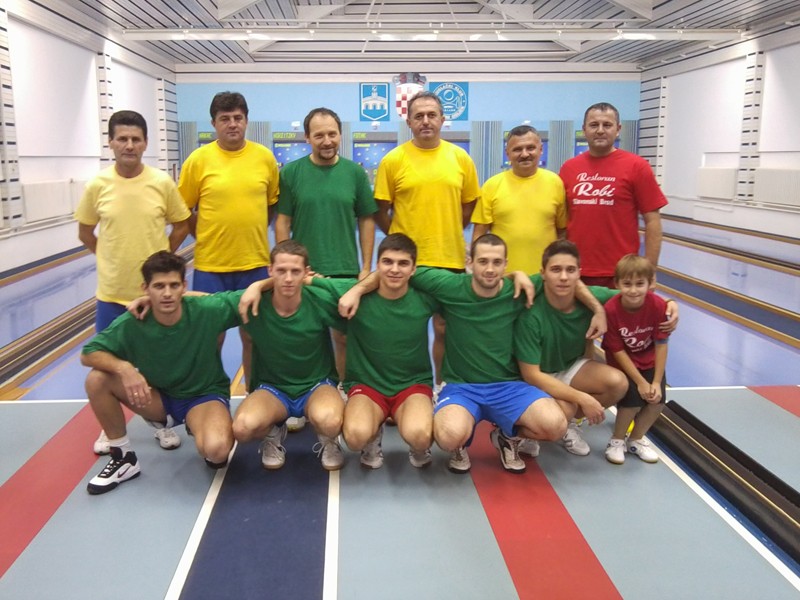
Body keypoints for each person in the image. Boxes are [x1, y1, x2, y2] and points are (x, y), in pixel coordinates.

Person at [340, 234, 605, 475]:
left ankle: (508, 438)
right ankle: (459, 446)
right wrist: (357, 289)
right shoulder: (449, 286)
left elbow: (569, 282)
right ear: (470, 263)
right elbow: (392, 270)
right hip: (462, 387)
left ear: (505, 264)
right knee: (448, 436)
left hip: (508, 385)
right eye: (483, 261)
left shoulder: (518, 289)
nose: (489, 269)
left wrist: (598, 309)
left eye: (497, 262)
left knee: (555, 425)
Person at [75, 109, 190, 455]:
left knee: (157, 363)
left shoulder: (161, 182)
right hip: (112, 294)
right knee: (107, 363)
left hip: (154, 296)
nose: (129, 145)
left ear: (145, 143)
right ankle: (110, 426)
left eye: (135, 139)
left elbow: (181, 225)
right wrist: (108, 259)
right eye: (122, 139)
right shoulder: (98, 185)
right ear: (110, 142)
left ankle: (160, 422)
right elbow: (85, 232)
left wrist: (161, 263)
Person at [81, 251, 239, 495]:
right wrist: (124, 368)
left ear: (184, 286)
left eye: (174, 285)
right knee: (97, 379)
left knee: (217, 452)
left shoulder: (206, 310)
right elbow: (88, 353)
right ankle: (123, 458)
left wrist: (302, 279)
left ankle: (197, 424)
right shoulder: (133, 322)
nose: (167, 293)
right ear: (145, 288)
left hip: (203, 397)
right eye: (159, 286)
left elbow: (251, 295)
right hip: (158, 398)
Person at [373, 91, 480, 388]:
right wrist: (399, 239)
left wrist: (449, 230)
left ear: (443, 119)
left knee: (445, 329)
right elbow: (381, 209)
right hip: (408, 264)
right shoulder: (393, 160)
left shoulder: (460, 158)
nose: (426, 121)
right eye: (418, 116)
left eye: (432, 115)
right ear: (408, 122)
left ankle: (441, 386)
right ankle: (403, 388)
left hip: (450, 259)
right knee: (404, 330)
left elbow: (469, 205)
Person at [275, 107, 377, 407]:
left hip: (345, 270)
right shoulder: (291, 173)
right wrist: (289, 268)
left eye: (332, 134)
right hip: (305, 274)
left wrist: (366, 268)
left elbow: (366, 220)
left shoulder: (354, 173)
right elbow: (282, 222)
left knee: (343, 339)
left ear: (340, 135)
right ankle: (302, 397)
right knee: (303, 339)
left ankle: (343, 392)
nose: (327, 140)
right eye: (319, 135)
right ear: (307, 138)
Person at [309, 234, 438, 469]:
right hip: (367, 386)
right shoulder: (352, 292)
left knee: (420, 435)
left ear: (413, 269)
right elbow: (306, 281)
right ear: (377, 265)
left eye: (403, 263)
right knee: (355, 437)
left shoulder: (425, 297)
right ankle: (372, 434)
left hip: (412, 384)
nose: (394, 269)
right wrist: (259, 286)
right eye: (387, 262)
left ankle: (417, 444)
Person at [178, 91, 280, 383]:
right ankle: (208, 395)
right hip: (211, 266)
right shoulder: (198, 160)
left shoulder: (264, 158)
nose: (232, 124)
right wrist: (204, 234)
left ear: (247, 120)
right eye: (225, 119)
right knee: (210, 339)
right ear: (214, 123)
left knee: (254, 338)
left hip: (255, 264)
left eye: (238, 117)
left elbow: (271, 204)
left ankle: (255, 393)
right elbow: (183, 209)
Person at [233, 241, 346, 471]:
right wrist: (251, 391)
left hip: (317, 385)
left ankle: (328, 439)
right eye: (281, 270)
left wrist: (318, 281)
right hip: (272, 389)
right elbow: (203, 301)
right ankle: (273, 430)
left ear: (306, 272)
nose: (288, 278)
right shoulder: (252, 302)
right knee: (242, 428)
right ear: (270, 270)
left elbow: (358, 288)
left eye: (295, 271)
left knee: (331, 421)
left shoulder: (319, 299)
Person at [514, 240, 629, 457]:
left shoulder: (592, 298)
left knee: (618, 383)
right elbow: (532, 375)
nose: (564, 277)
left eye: (570, 270)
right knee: (563, 411)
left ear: (579, 274)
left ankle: (569, 424)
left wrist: (669, 304)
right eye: (556, 270)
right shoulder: (531, 313)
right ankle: (520, 433)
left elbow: (636, 297)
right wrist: (582, 398)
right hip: (533, 376)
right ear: (543, 274)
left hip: (568, 368)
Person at [559, 102, 668, 287]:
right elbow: (561, 222)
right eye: (594, 125)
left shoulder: (637, 166)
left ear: (618, 129)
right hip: (575, 270)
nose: (600, 130)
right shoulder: (569, 168)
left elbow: (653, 221)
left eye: (607, 125)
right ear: (584, 129)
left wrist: (650, 269)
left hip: (623, 274)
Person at [601, 254, 672, 464]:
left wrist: (656, 382)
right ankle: (616, 441)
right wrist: (640, 382)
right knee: (631, 404)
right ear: (617, 284)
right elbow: (617, 351)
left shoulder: (658, 305)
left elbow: (662, 344)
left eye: (640, 284)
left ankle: (636, 439)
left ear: (651, 283)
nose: (633, 290)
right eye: (627, 284)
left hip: (650, 361)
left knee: (656, 402)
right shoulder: (611, 309)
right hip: (623, 364)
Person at [472, 125, 566, 274]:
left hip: (545, 278)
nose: (524, 154)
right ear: (507, 153)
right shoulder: (492, 186)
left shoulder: (555, 183)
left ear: (541, 149)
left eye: (530, 148)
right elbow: (479, 235)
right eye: (517, 149)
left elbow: (562, 232)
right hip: (503, 278)